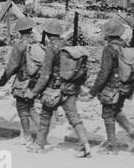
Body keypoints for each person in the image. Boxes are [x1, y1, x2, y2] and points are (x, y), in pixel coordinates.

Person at [30, 19, 92, 157]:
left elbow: (45, 74)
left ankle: (39, 145)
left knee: (45, 116)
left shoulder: (51, 48)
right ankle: (85, 144)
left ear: (46, 33)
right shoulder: (67, 45)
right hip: (70, 88)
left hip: (54, 90)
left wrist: (34, 92)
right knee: (74, 117)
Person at [88, 18, 134, 153]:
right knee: (116, 111)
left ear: (108, 34)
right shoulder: (124, 46)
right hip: (126, 86)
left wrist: (93, 90)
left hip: (113, 87)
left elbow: (104, 72)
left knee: (107, 114)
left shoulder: (109, 49)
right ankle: (132, 132)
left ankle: (112, 145)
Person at [0, 16, 38, 146]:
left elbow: (12, 67)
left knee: (22, 109)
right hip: (36, 80)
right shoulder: (37, 43)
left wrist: (1, 82)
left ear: (20, 31)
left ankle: (27, 137)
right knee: (30, 107)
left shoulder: (19, 45)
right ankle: (42, 132)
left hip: (23, 80)